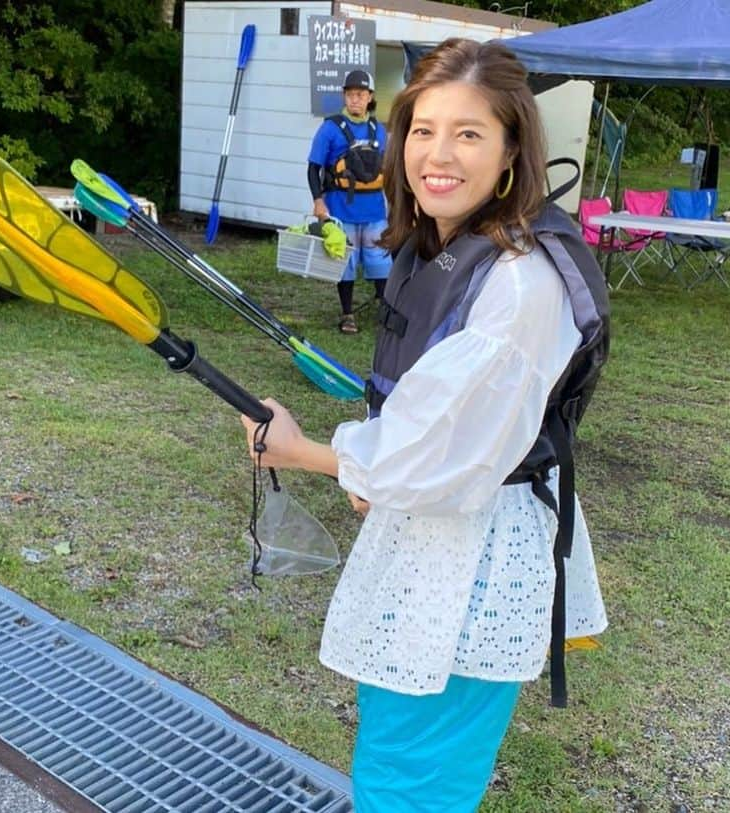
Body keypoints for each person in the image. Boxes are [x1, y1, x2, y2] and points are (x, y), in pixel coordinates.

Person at [243, 39, 608, 811]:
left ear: (513, 150)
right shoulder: (446, 245)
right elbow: (423, 428)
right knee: (396, 750)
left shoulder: (520, 288)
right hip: (433, 535)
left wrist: (302, 450)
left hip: (473, 552)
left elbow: (430, 459)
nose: (437, 155)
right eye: (423, 130)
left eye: (469, 133)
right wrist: (373, 467)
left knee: (412, 779)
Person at [307, 69, 392, 334]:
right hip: (341, 208)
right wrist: (319, 201)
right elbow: (313, 168)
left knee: (381, 262)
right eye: (350, 94)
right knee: (344, 263)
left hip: (374, 209)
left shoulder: (379, 130)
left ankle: (385, 310)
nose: (355, 99)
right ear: (344, 96)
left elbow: (388, 169)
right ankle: (347, 314)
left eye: (361, 94)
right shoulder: (330, 128)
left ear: (370, 97)